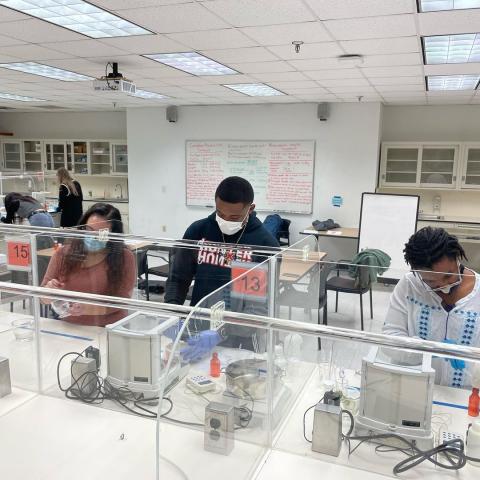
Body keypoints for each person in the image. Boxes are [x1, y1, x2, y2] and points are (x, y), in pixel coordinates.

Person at [165, 176, 279, 358]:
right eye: (220, 213)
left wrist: (220, 333)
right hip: (198, 328)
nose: (226, 220)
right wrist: (173, 315)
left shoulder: (264, 244)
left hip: (242, 340)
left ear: (250, 209)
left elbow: (257, 309)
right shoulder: (198, 231)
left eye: (234, 216)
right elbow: (178, 278)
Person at [383, 226, 480, 388]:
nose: (443, 286)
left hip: (465, 394)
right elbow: (389, 339)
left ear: (457, 259)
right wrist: (431, 348)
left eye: (448, 275)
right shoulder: (409, 285)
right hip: (414, 386)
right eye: (431, 281)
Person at [41, 203, 136, 327]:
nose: (93, 237)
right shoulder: (63, 254)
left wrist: (86, 309)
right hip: (70, 327)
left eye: (101, 233)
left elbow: (121, 301)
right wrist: (49, 291)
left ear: (113, 235)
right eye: (89, 230)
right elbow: (42, 297)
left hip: (108, 328)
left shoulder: (124, 257)